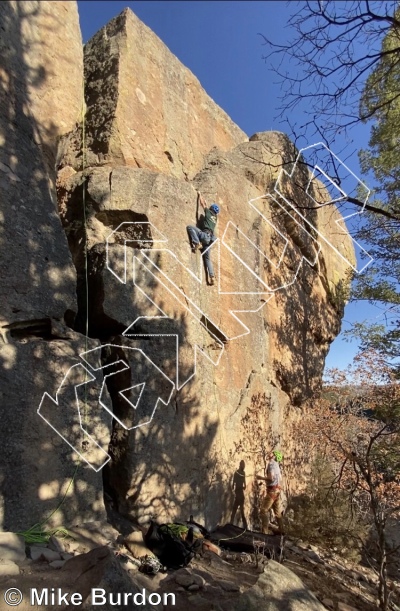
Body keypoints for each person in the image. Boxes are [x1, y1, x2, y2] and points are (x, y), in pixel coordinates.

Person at [186, 193, 219, 286]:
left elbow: (202, 204)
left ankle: (196, 243)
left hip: (204, 235)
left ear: (211, 209)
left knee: (190, 227)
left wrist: (200, 195)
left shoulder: (208, 212)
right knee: (207, 259)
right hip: (209, 240)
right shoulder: (215, 218)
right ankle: (212, 277)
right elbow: (206, 204)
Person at [256, 450, 284, 535]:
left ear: (274, 456)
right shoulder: (277, 466)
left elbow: (271, 478)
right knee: (278, 513)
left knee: (263, 511)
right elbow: (280, 479)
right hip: (278, 491)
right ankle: (281, 530)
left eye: (272, 453)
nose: (270, 453)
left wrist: (261, 478)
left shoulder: (271, 464)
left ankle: (265, 532)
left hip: (272, 491)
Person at [230, 460, 248, 530]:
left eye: (244, 465)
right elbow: (233, 483)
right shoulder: (237, 472)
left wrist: (243, 486)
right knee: (236, 510)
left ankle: (245, 526)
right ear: (240, 465)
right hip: (238, 493)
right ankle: (232, 524)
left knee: (239, 510)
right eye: (242, 465)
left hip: (240, 493)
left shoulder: (242, 472)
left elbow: (244, 482)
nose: (243, 467)